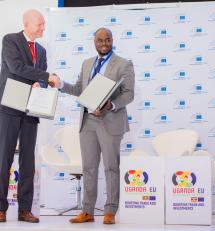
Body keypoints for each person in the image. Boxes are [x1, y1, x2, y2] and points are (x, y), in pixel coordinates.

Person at [57, 28, 135, 224]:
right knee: (89, 168)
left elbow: (129, 94)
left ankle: (110, 211)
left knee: (111, 167)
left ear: (112, 40)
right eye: (100, 40)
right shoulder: (87, 64)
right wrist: (60, 85)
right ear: (94, 42)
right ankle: (88, 210)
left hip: (110, 121)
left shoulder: (124, 64)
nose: (104, 44)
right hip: (88, 121)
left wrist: (112, 105)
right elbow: (78, 89)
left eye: (107, 40)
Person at [0, 9, 58, 223]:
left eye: (43, 24)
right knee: (5, 159)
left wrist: (43, 82)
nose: (42, 28)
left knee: (28, 161)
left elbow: (40, 78)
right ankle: (1, 208)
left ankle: (24, 210)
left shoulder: (42, 50)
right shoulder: (10, 40)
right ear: (27, 24)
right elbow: (16, 68)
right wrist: (47, 76)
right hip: (9, 106)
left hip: (31, 109)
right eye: (39, 24)